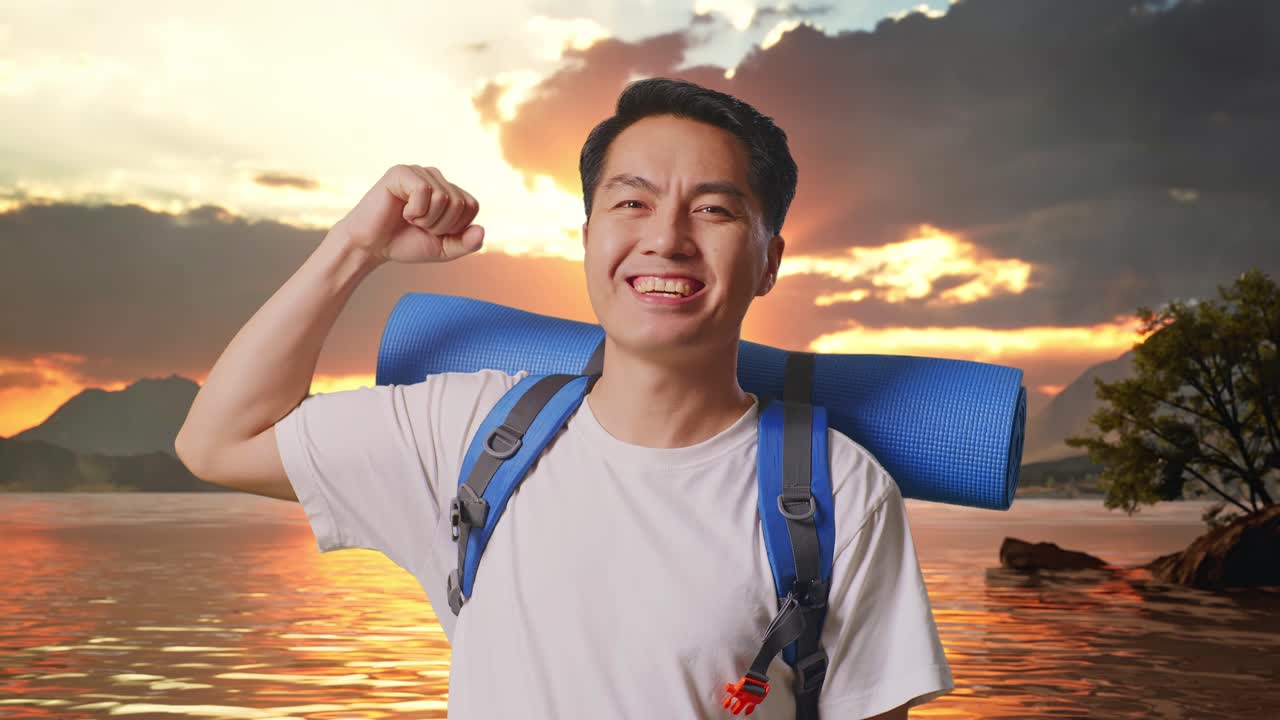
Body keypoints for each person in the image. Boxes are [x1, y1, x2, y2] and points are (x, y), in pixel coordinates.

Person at [175, 77, 954, 719]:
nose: (667, 239)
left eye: (714, 209)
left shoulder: (839, 493)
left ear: (769, 259)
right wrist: (354, 247)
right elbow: (217, 443)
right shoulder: (470, 432)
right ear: (587, 236)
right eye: (632, 202)